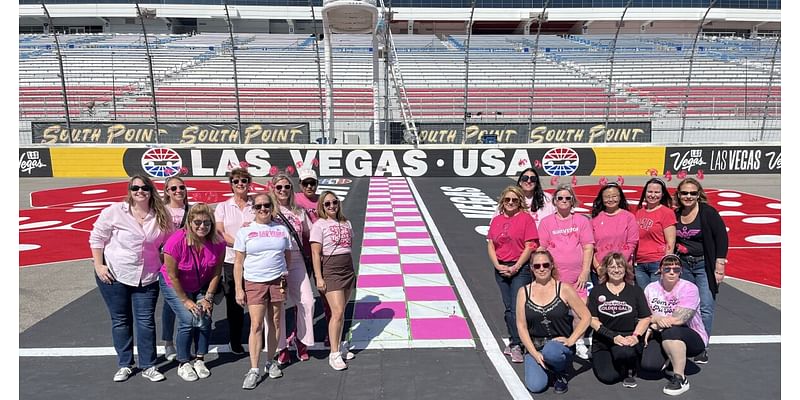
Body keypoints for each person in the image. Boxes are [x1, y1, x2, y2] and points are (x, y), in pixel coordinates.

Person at [89, 175, 173, 382]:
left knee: (145, 322)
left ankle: (148, 365)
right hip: (114, 274)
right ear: (129, 190)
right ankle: (125, 364)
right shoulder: (115, 212)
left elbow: (170, 243)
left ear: (151, 190)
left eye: (144, 187)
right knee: (120, 320)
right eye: (135, 188)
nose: (140, 191)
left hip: (148, 277)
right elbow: (97, 237)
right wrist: (99, 265)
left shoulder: (161, 215)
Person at [159, 204, 225, 381]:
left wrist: (208, 297)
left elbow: (217, 271)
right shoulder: (175, 241)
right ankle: (183, 362)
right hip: (175, 284)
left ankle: (199, 358)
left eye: (206, 222)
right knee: (188, 319)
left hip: (201, 284)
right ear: (189, 222)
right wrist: (186, 301)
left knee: (205, 317)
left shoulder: (218, 241)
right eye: (197, 222)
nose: (202, 226)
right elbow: (172, 276)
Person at [234, 193, 292, 390]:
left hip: (277, 281)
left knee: (275, 322)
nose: (263, 209)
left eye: (266, 205)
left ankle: (270, 362)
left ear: (272, 206)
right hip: (255, 282)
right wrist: (238, 288)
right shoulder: (245, 231)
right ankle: (253, 369)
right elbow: (238, 262)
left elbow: (288, 255)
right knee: (256, 325)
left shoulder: (282, 229)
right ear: (253, 209)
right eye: (258, 206)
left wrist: (285, 274)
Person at [516, 249, 591, 394]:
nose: (542, 269)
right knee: (536, 386)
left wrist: (571, 340)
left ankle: (560, 371)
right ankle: (547, 365)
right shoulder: (523, 292)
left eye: (545, 265)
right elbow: (521, 326)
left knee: (551, 351)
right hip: (536, 346)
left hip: (558, 346)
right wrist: (534, 354)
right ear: (532, 268)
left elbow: (586, 317)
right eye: (537, 266)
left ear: (552, 266)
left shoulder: (564, 289)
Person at [673, 177, 728, 364]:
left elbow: (721, 237)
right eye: (684, 193)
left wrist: (719, 265)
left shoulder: (707, 213)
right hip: (684, 265)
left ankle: (702, 347)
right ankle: (690, 341)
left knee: (705, 307)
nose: (688, 196)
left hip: (704, 265)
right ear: (678, 195)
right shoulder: (676, 213)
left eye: (692, 193)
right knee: (687, 306)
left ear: (699, 195)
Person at [537, 183, 594, 359]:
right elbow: (542, 248)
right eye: (560, 198)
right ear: (554, 201)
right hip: (556, 277)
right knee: (555, 312)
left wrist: (585, 272)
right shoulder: (547, 222)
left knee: (580, 312)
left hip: (577, 277)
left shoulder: (581, 221)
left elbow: (588, 247)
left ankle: (578, 342)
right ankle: (554, 341)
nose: (563, 201)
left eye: (567, 198)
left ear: (572, 201)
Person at [640, 254, 708, 396]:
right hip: (661, 332)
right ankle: (671, 359)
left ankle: (680, 378)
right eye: (667, 269)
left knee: (671, 331)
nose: (672, 272)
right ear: (660, 270)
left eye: (676, 269)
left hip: (690, 336)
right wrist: (655, 321)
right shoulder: (651, 288)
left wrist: (655, 324)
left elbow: (679, 319)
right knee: (649, 366)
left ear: (681, 271)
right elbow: (645, 315)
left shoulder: (689, 288)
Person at [487, 186, 538, 363]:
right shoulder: (496, 220)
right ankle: (513, 339)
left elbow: (530, 245)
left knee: (518, 307)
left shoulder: (526, 219)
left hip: (520, 269)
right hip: (501, 268)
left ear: (520, 202)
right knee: (508, 307)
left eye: (514, 200)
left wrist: (516, 266)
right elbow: (491, 245)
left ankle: (518, 344)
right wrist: (497, 265)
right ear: (502, 201)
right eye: (507, 200)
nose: (510, 203)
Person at [587, 253, 652, 388]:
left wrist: (635, 336)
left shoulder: (635, 291)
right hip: (604, 340)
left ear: (625, 269)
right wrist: (613, 336)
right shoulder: (596, 291)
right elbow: (592, 320)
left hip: (628, 339)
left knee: (624, 352)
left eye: (620, 266)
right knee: (608, 377)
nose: (616, 270)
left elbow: (646, 317)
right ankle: (616, 364)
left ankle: (630, 368)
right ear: (606, 269)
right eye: (612, 266)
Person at [270, 174, 315, 364]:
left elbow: (311, 233)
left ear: (291, 189)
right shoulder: (267, 209)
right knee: (277, 307)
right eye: (279, 187)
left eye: (286, 187)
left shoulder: (300, 211)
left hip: (296, 259)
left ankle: (301, 340)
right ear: (273, 188)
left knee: (308, 301)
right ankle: (280, 347)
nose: (283, 190)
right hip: (274, 261)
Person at [310, 190, 357, 371]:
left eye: (334, 202)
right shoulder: (319, 225)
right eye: (327, 203)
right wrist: (319, 277)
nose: (332, 206)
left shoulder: (346, 223)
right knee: (336, 312)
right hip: (331, 270)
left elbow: (348, 247)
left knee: (341, 312)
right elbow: (315, 253)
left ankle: (339, 344)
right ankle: (334, 353)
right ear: (322, 206)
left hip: (347, 269)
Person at [214, 167, 255, 355]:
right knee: (235, 302)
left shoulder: (257, 205)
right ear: (231, 185)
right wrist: (241, 244)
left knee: (257, 300)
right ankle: (235, 339)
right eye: (236, 181)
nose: (240, 184)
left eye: (244, 181)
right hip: (232, 260)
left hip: (255, 260)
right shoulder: (223, 206)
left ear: (249, 184)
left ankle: (257, 336)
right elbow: (220, 232)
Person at [161, 175, 190, 361]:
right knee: (170, 304)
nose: (178, 191)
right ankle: (168, 342)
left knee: (188, 300)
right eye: (173, 188)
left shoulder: (192, 209)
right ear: (167, 192)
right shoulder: (161, 212)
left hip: (188, 263)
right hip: (166, 262)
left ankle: (186, 338)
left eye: (181, 187)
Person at [590, 182, 639, 285]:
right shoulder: (595, 219)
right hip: (600, 271)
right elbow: (590, 247)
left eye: (614, 196)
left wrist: (617, 266)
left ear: (620, 197)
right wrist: (598, 267)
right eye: (607, 197)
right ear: (602, 199)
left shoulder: (629, 217)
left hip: (622, 270)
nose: (611, 199)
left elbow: (632, 243)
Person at [634, 177, 676, 288]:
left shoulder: (666, 213)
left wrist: (665, 265)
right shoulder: (638, 212)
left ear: (662, 194)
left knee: (657, 298)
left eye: (657, 192)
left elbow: (670, 242)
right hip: (639, 264)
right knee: (644, 299)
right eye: (650, 191)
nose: (653, 195)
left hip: (657, 263)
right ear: (645, 193)